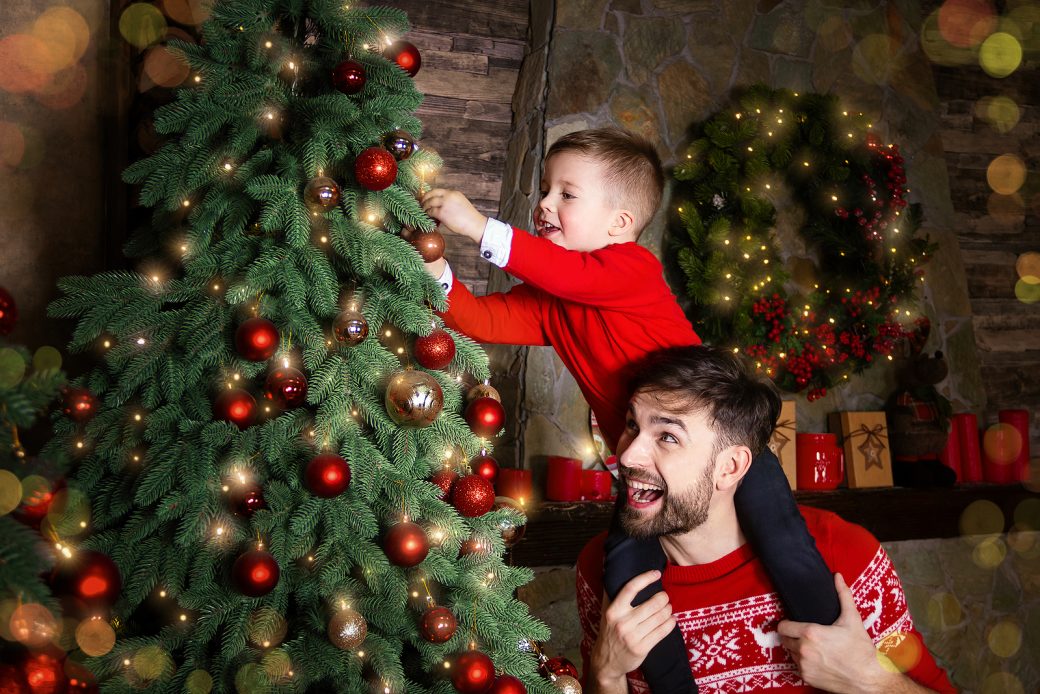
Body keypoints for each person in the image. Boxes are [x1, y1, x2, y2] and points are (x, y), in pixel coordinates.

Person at [420, 128, 838, 693]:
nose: (544, 204)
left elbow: (564, 272)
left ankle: (836, 650)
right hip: (646, 465)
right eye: (545, 190)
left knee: (785, 543)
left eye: (567, 194)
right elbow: (481, 319)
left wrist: (479, 227)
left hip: (716, 449)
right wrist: (432, 268)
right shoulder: (553, 304)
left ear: (619, 225)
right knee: (628, 575)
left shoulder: (631, 268)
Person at [577, 345, 956, 694]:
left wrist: (869, 678)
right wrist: (606, 672)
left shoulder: (843, 553)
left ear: (730, 467)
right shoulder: (602, 570)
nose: (627, 457)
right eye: (632, 425)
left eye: (668, 437)